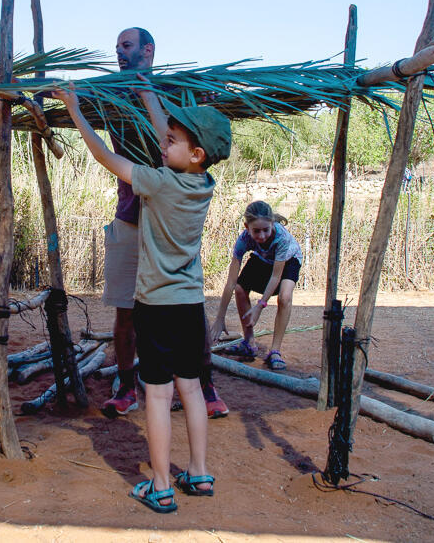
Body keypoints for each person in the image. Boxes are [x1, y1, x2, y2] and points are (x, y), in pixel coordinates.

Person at [53, 77, 231, 513]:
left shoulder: (159, 182)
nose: (162, 145)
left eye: (171, 141)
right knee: (190, 390)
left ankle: (162, 486)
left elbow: (103, 156)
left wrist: (76, 111)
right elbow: (166, 141)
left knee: (156, 394)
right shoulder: (201, 183)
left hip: (156, 307)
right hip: (190, 307)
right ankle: (200, 472)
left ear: (195, 154)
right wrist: (152, 100)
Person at [101, 27, 228, 419]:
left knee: (188, 307)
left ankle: (201, 384)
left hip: (170, 228)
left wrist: (205, 103)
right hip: (130, 218)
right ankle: (126, 385)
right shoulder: (108, 96)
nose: (119, 53)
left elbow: (198, 125)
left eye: (126, 45)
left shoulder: (177, 98)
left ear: (148, 50)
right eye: (117, 47)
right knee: (126, 310)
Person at [209, 201, 302, 370]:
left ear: (272, 223)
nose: (262, 235)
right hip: (264, 258)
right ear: (247, 227)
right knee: (239, 288)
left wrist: (260, 305)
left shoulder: (282, 238)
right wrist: (219, 318)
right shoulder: (243, 240)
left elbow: (275, 277)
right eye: (256, 231)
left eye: (266, 230)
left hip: (288, 261)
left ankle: (275, 351)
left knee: (285, 296)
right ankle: (249, 343)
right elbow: (231, 281)